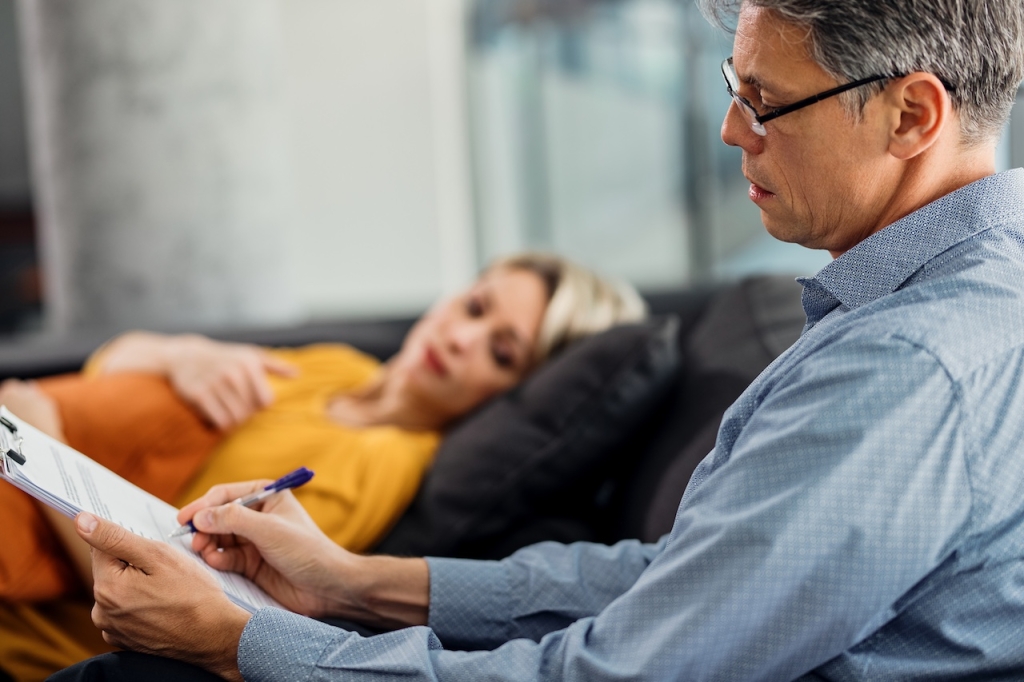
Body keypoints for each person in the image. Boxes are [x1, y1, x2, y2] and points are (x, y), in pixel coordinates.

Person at [49, 0, 1024, 679]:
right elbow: (694, 578)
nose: (731, 130)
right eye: (735, 86)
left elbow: (631, 670)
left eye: (765, 102)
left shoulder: (904, 372)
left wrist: (239, 647)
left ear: (911, 114)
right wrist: (359, 583)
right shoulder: (969, 292)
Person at [0, 251, 646, 681]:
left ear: (517, 388)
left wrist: (40, 436)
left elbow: (164, 583)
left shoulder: (384, 466)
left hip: (37, 637)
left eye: (501, 353)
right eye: (475, 308)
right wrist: (178, 353)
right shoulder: (339, 366)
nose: (459, 338)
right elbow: (107, 367)